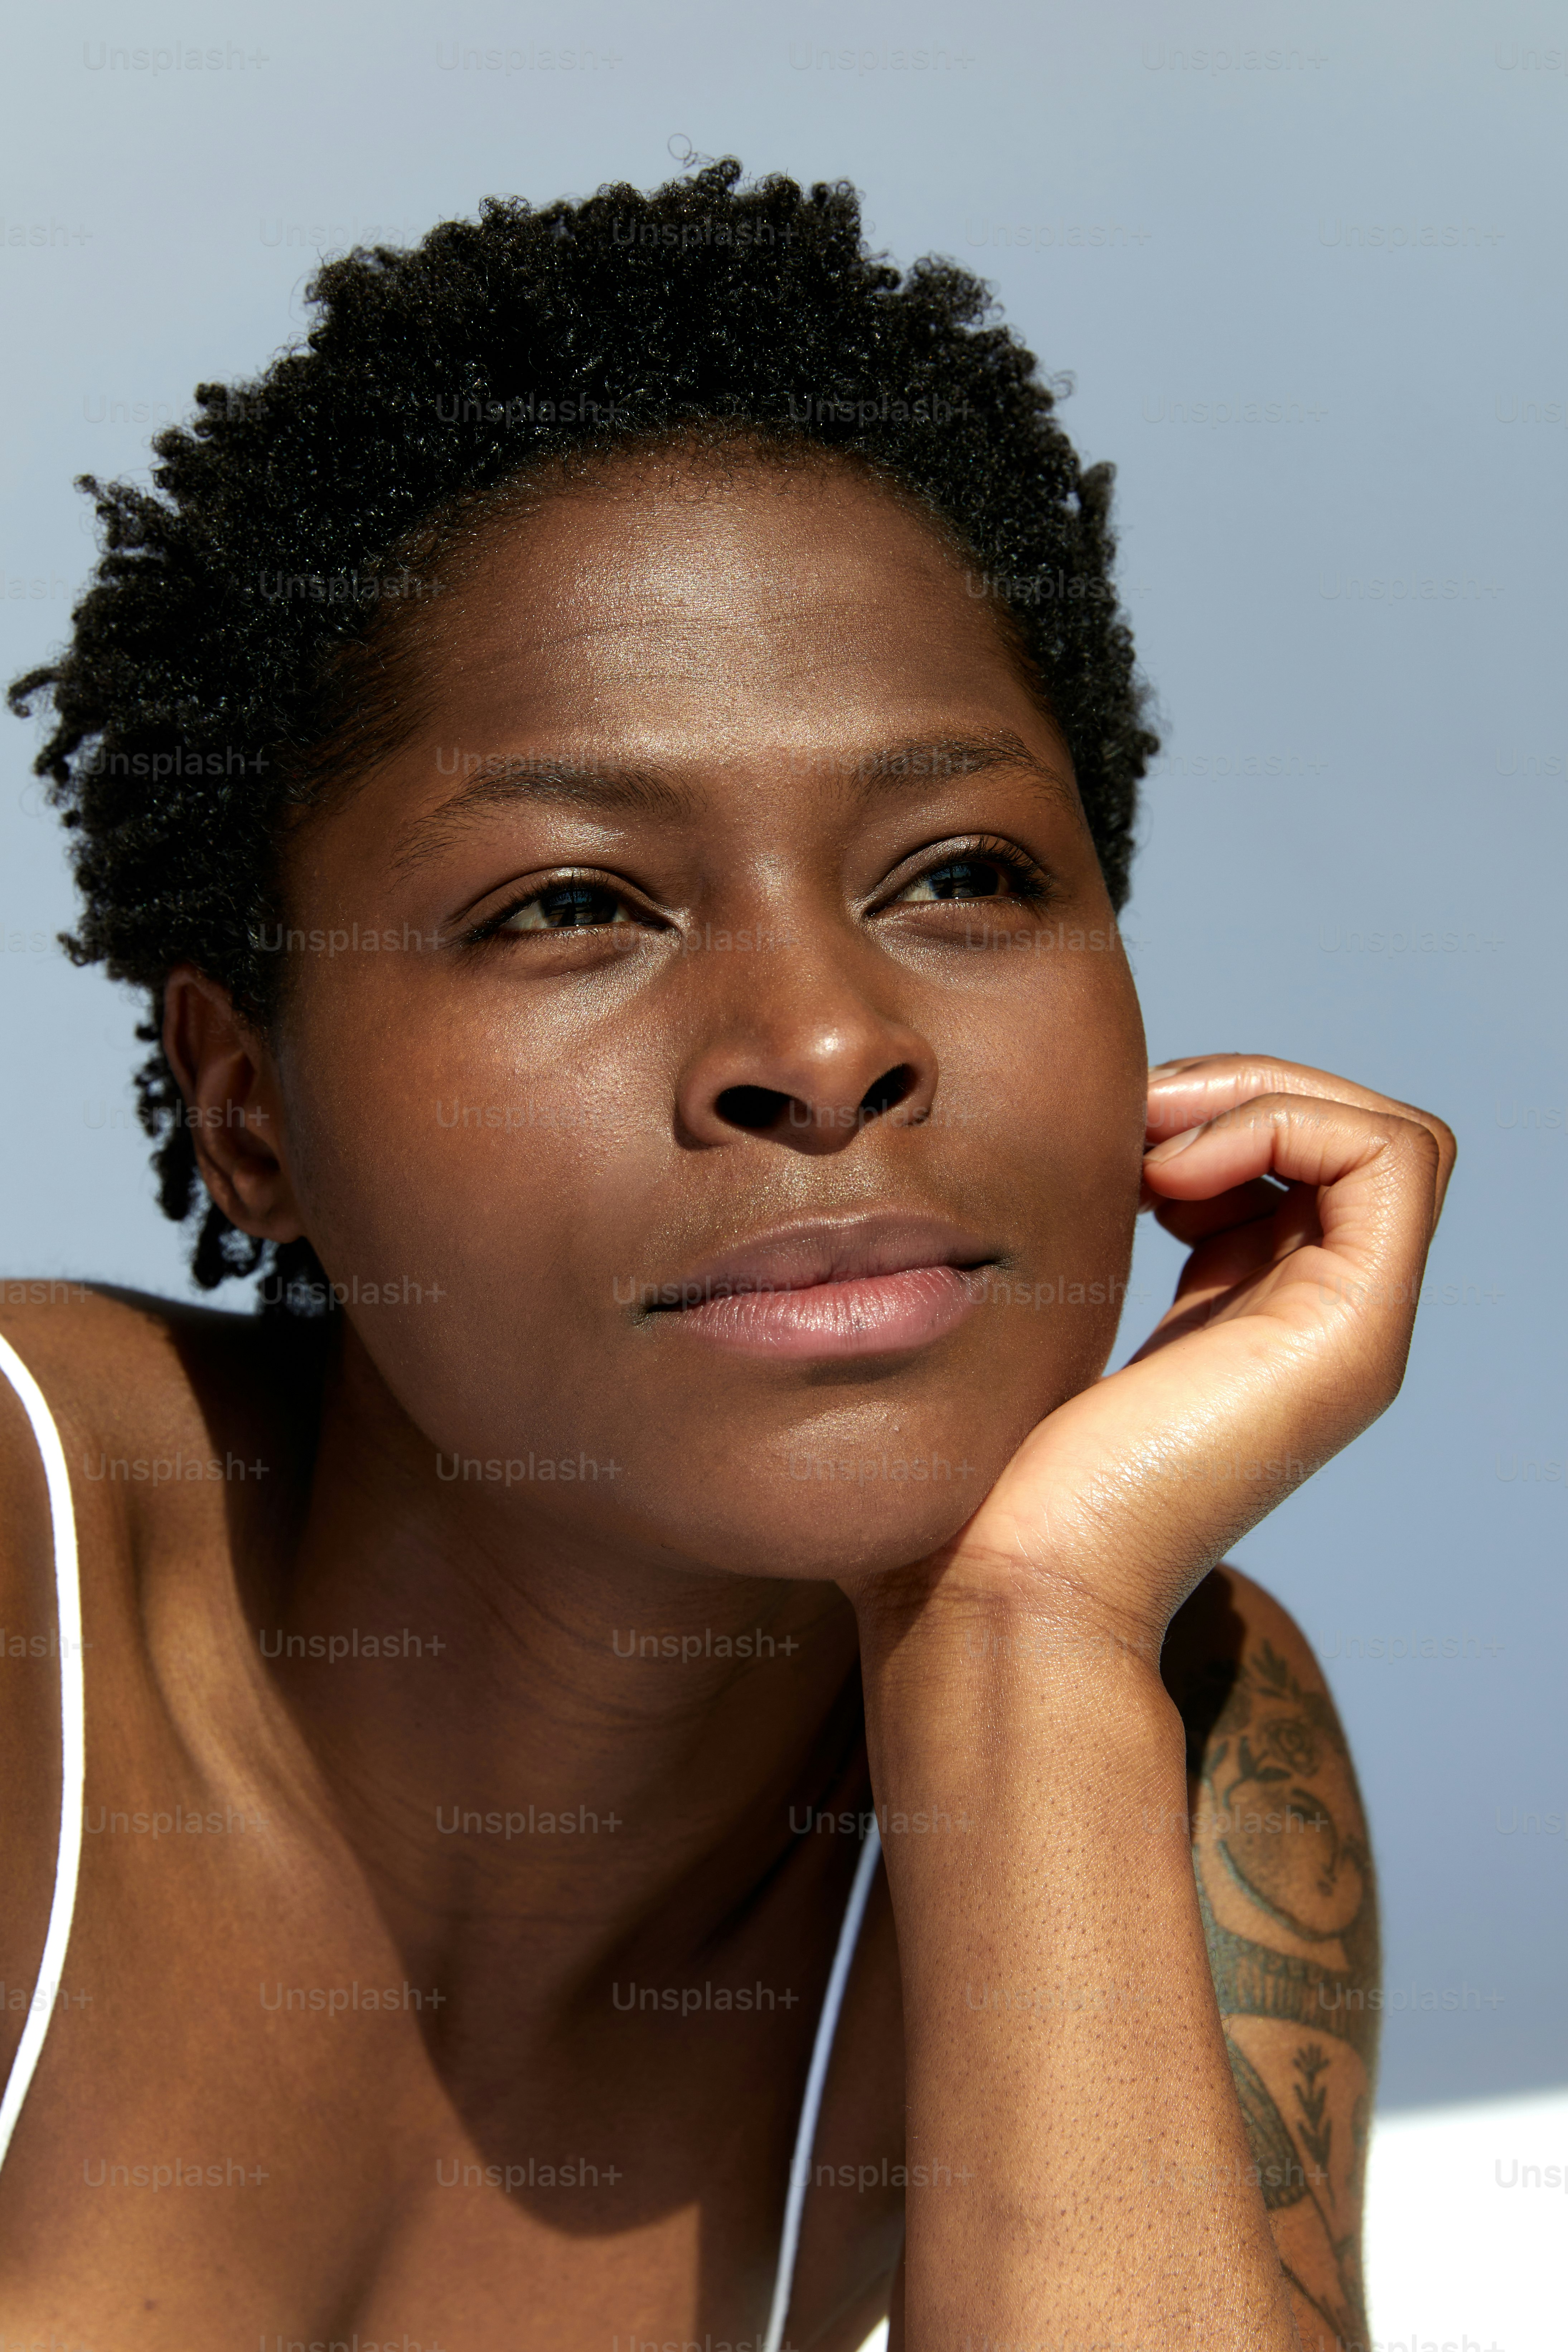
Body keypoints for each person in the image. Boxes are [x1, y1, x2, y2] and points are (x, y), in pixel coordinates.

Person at [0, 160, 1452, 2351]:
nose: (827, 1044)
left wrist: (1027, 1645)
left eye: (956, 872)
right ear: (253, 1111)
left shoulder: (1178, 1731)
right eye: (576, 905)